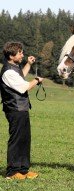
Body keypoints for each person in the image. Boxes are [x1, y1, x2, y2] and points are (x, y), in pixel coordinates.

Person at [0, 41, 43, 180]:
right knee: (16, 140)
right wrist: (36, 80)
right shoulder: (7, 72)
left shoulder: (14, 68)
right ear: (11, 55)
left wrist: (28, 64)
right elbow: (25, 86)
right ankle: (12, 172)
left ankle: (23, 170)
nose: (22, 54)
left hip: (21, 109)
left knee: (24, 139)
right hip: (14, 109)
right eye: (20, 52)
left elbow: (21, 76)